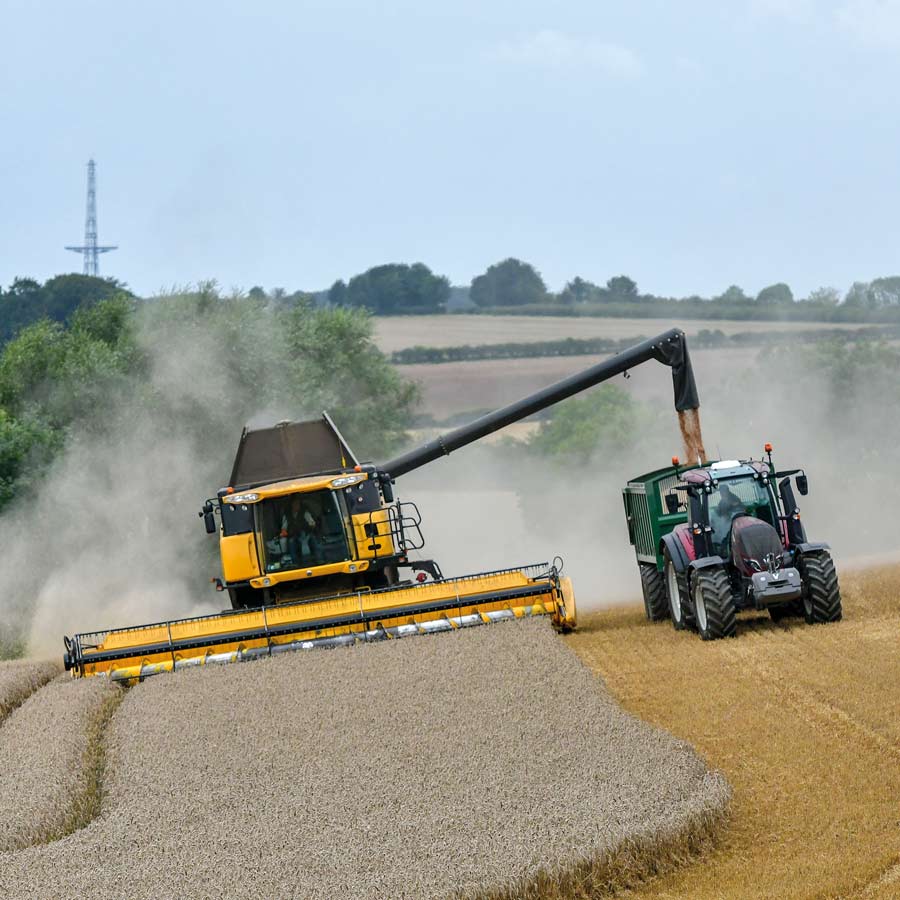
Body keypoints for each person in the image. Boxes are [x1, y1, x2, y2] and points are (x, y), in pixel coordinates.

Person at [282, 495, 321, 564]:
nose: (297, 506)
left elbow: (311, 522)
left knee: (314, 540)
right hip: (294, 534)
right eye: (295, 504)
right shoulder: (287, 515)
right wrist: (284, 532)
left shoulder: (304, 512)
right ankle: (295, 562)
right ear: (291, 505)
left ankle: (319, 559)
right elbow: (284, 527)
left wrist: (311, 525)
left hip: (306, 533)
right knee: (291, 542)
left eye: (298, 504)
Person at [710, 483, 745, 548]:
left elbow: (739, 511)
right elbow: (718, 512)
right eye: (720, 492)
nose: (721, 493)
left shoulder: (734, 499)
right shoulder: (722, 501)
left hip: (734, 525)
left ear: (727, 491)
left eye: (722, 491)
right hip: (726, 525)